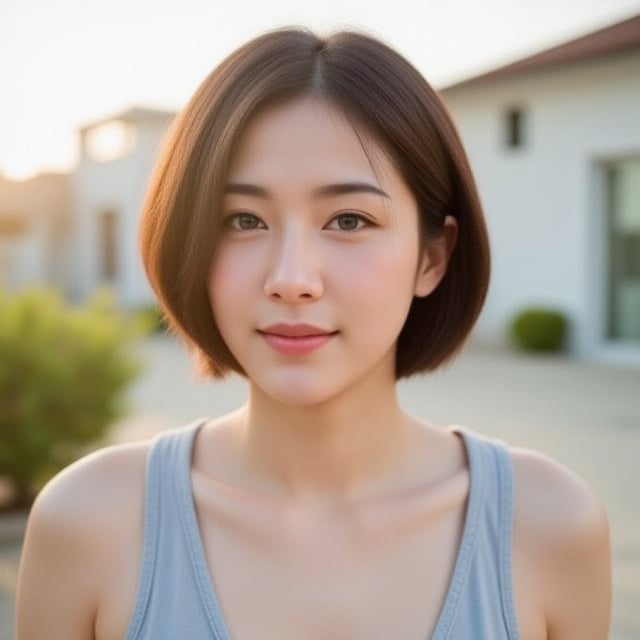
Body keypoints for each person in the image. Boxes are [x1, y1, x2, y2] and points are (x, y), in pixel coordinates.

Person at [16, 26, 611, 640]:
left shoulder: (547, 525)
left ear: (433, 257)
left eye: (348, 219)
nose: (291, 279)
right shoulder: (90, 523)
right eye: (243, 220)